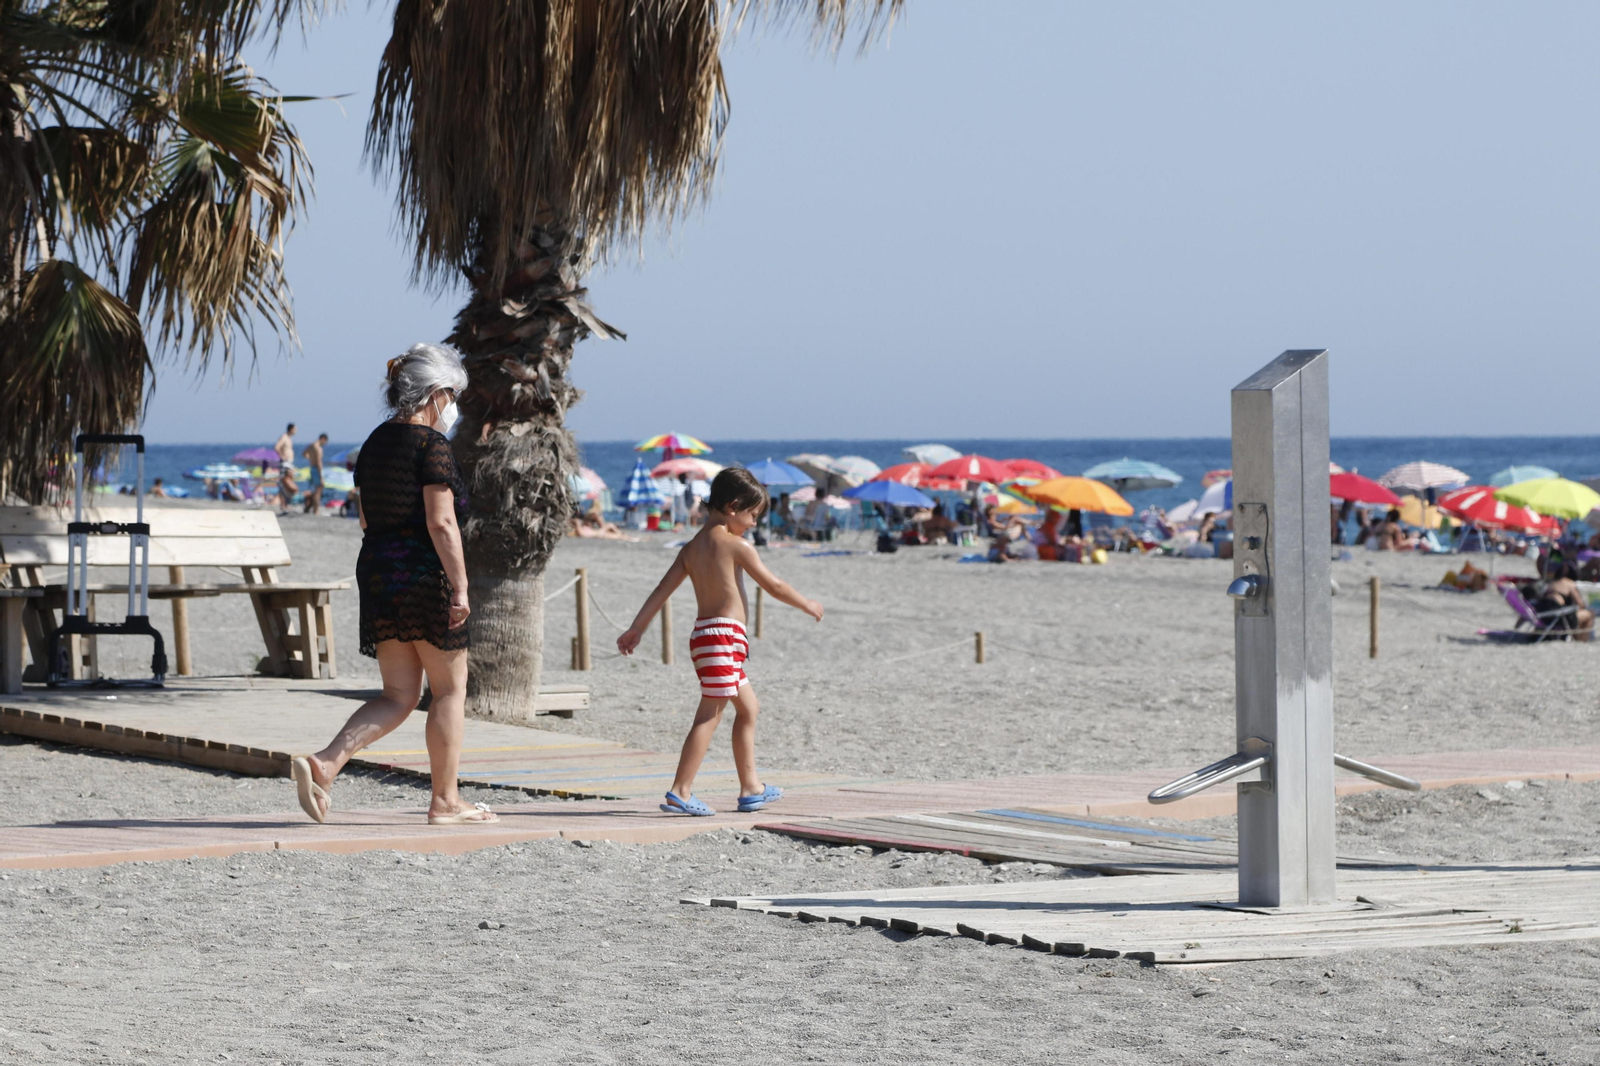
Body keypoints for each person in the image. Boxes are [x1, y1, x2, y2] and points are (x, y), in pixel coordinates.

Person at [290, 344, 496, 826]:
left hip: (380, 569)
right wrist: (461, 589)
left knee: (397, 695)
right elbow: (441, 523)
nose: (455, 405)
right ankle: (445, 801)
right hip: (425, 573)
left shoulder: (376, 441)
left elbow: (365, 514)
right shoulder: (432, 445)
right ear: (438, 393)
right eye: (454, 394)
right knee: (447, 692)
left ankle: (325, 763)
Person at [617, 468, 823, 816]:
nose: (754, 523)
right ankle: (680, 791)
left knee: (748, 708)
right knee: (709, 715)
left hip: (706, 638)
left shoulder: (691, 549)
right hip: (722, 638)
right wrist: (807, 603)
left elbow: (660, 592)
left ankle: (750, 788)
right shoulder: (735, 545)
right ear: (733, 506)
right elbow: (773, 585)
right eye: (753, 515)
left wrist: (636, 628)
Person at [302, 433, 329, 514]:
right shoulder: (318, 448)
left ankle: (312, 507)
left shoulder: (311, 445)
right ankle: (316, 510)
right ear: (323, 439)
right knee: (318, 490)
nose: (325, 444)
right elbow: (319, 462)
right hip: (317, 469)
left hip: (312, 468)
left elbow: (304, 454)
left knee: (316, 489)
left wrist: (310, 459)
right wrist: (321, 475)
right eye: (325, 442)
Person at [274, 423, 297, 515]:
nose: (296, 431)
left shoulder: (289, 438)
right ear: (291, 429)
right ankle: (284, 505)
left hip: (289, 463)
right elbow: (277, 447)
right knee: (285, 484)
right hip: (285, 463)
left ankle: (285, 504)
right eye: (295, 429)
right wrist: (283, 457)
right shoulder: (284, 437)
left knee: (286, 485)